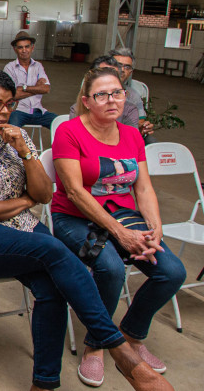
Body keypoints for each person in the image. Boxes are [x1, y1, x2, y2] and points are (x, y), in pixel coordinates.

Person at [0, 70, 172, 391]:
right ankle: (120, 351)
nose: (5, 111)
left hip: (21, 231)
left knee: (52, 290)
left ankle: (44, 383)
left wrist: (26, 152)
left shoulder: (16, 137)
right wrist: (25, 200)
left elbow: (44, 194)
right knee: (55, 249)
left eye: (9, 104)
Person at [51, 67, 185, 387]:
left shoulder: (132, 134)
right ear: (86, 101)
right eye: (102, 94)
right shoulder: (69, 132)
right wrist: (120, 233)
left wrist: (155, 229)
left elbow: (143, 188)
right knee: (110, 267)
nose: (112, 100)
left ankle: (131, 334)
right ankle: (96, 344)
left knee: (171, 271)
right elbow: (74, 191)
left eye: (118, 92)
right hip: (75, 217)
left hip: (124, 217)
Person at [3, 31, 57, 128]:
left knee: (61, 124)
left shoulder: (38, 66)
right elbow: (13, 95)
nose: (24, 50)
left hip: (39, 111)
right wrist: (37, 88)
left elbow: (46, 89)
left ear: (32, 48)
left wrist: (24, 87)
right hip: (18, 112)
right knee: (11, 131)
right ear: (15, 49)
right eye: (20, 47)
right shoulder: (9, 68)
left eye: (27, 46)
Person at [69, 56, 139, 128]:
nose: (111, 99)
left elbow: (131, 137)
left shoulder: (129, 110)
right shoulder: (77, 109)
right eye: (102, 94)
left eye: (115, 76)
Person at [109, 47, 155, 142]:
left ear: (130, 72)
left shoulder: (133, 95)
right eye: (118, 65)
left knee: (151, 141)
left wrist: (142, 128)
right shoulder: (94, 90)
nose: (122, 69)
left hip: (125, 139)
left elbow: (139, 122)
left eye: (127, 67)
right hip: (98, 137)